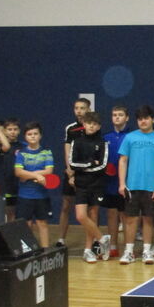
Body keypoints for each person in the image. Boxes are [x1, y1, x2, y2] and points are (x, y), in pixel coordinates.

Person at [117, 105, 154, 265]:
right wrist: (122, 184)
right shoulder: (129, 138)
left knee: (148, 219)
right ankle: (129, 252)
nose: (143, 121)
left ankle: (147, 251)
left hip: (152, 188)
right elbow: (123, 161)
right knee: (131, 219)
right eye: (140, 119)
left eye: (146, 118)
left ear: (153, 119)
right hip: (132, 187)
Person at [69, 111, 111, 263]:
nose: (91, 126)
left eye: (94, 124)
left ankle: (88, 250)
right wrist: (90, 163)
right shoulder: (76, 142)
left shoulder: (103, 143)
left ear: (98, 126)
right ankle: (102, 239)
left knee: (93, 215)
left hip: (97, 184)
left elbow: (102, 166)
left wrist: (85, 167)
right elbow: (72, 164)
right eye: (88, 123)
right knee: (81, 216)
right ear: (84, 124)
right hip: (81, 185)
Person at [14, 121, 54, 247]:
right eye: (29, 134)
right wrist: (37, 176)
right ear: (25, 136)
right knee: (26, 225)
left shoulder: (47, 152)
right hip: (25, 196)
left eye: (35, 134)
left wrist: (28, 175)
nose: (33, 136)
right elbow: (18, 172)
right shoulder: (21, 153)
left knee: (42, 223)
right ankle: (28, 251)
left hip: (41, 195)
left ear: (40, 135)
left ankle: (45, 251)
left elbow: (49, 171)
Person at [56, 98, 90, 247]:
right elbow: (67, 150)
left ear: (88, 110)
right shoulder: (70, 128)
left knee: (89, 210)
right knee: (66, 206)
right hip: (72, 172)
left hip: (87, 174)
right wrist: (70, 172)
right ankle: (61, 239)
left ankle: (91, 241)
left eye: (82, 108)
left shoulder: (92, 127)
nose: (79, 111)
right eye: (77, 108)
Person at [101, 105, 130, 258]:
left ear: (127, 118)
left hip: (126, 182)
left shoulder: (131, 137)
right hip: (110, 183)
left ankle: (127, 248)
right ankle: (113, 246)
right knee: (111, 214)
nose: (117, 117)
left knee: (125, 215)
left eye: (120, 114)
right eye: (114, 115)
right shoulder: (106, 138)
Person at [1, 118, 24, 222]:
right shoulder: (1, 147)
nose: (12, 132)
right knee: (5, 214)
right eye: (9, 129)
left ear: (19, 131)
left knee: (18, 215)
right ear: (4, 131)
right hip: (5, 186)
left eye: (15, 129)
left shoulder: (24, 146)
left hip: (19, 186)